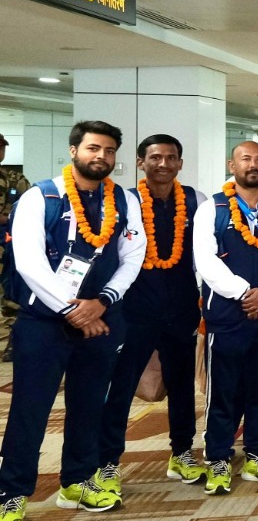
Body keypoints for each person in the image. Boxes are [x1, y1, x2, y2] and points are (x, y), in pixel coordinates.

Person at [0, 121, 143, 521]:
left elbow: (133, 255)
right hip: (44, 322)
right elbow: (29, 263)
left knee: (89, 404)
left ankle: (77, 481)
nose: (102, 156)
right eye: (93, 148)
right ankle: (11, 494)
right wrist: (71, 311)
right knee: (30, 409)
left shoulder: (124, 201)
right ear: (74, 151)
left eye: (109, 150)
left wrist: (102, 302)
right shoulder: (40, 196)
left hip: (101, 317)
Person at [192, 141, 258, 493]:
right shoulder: (213, 209)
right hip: (227, 314)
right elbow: (206, 260)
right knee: (223, 390)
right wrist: (243, 292)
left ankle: (256, 454)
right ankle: (218, 457)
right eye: (245, 158)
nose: (253, 164)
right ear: (232, 165)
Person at [97, 134, 203, 493]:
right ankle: (108, 461)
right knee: (121, 386)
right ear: (141, 162)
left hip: (182, 308)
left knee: (182, 384)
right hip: (134, 310)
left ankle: (182, 452)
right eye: (155, 157)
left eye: (171, 157)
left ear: (180, 163)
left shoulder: (195, 201)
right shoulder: (125, 202)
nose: (164, 164)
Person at [0, 132, 31, 358]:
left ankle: (13, 341)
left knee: (11, 294)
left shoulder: (14, 178)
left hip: (7, 244)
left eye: (1, 147)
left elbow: (28, 210)